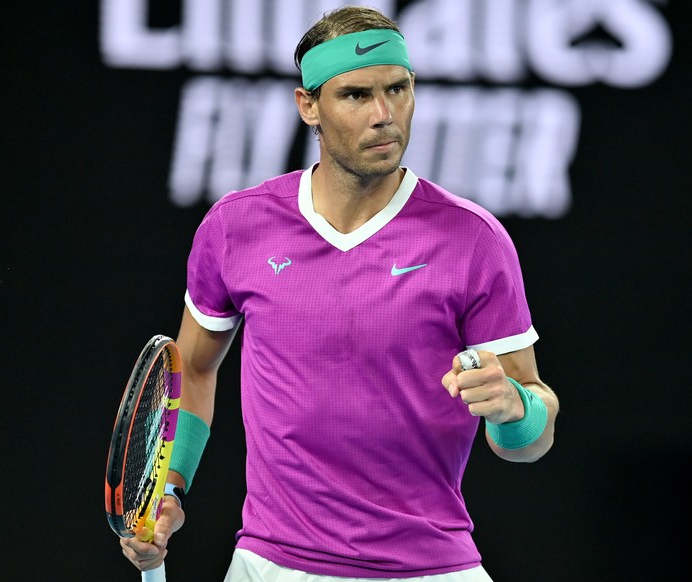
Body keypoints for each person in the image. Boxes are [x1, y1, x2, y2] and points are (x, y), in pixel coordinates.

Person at [119, 5, 559, 581]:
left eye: (397, 89)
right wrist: (168, 491)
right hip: (271, 565)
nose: (384, 115)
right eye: (355, 95)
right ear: (309, 107)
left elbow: (530, 440)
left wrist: (514, 408)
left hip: (429, 569)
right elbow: (194, 371)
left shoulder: (474, 241)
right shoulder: (235, 227)